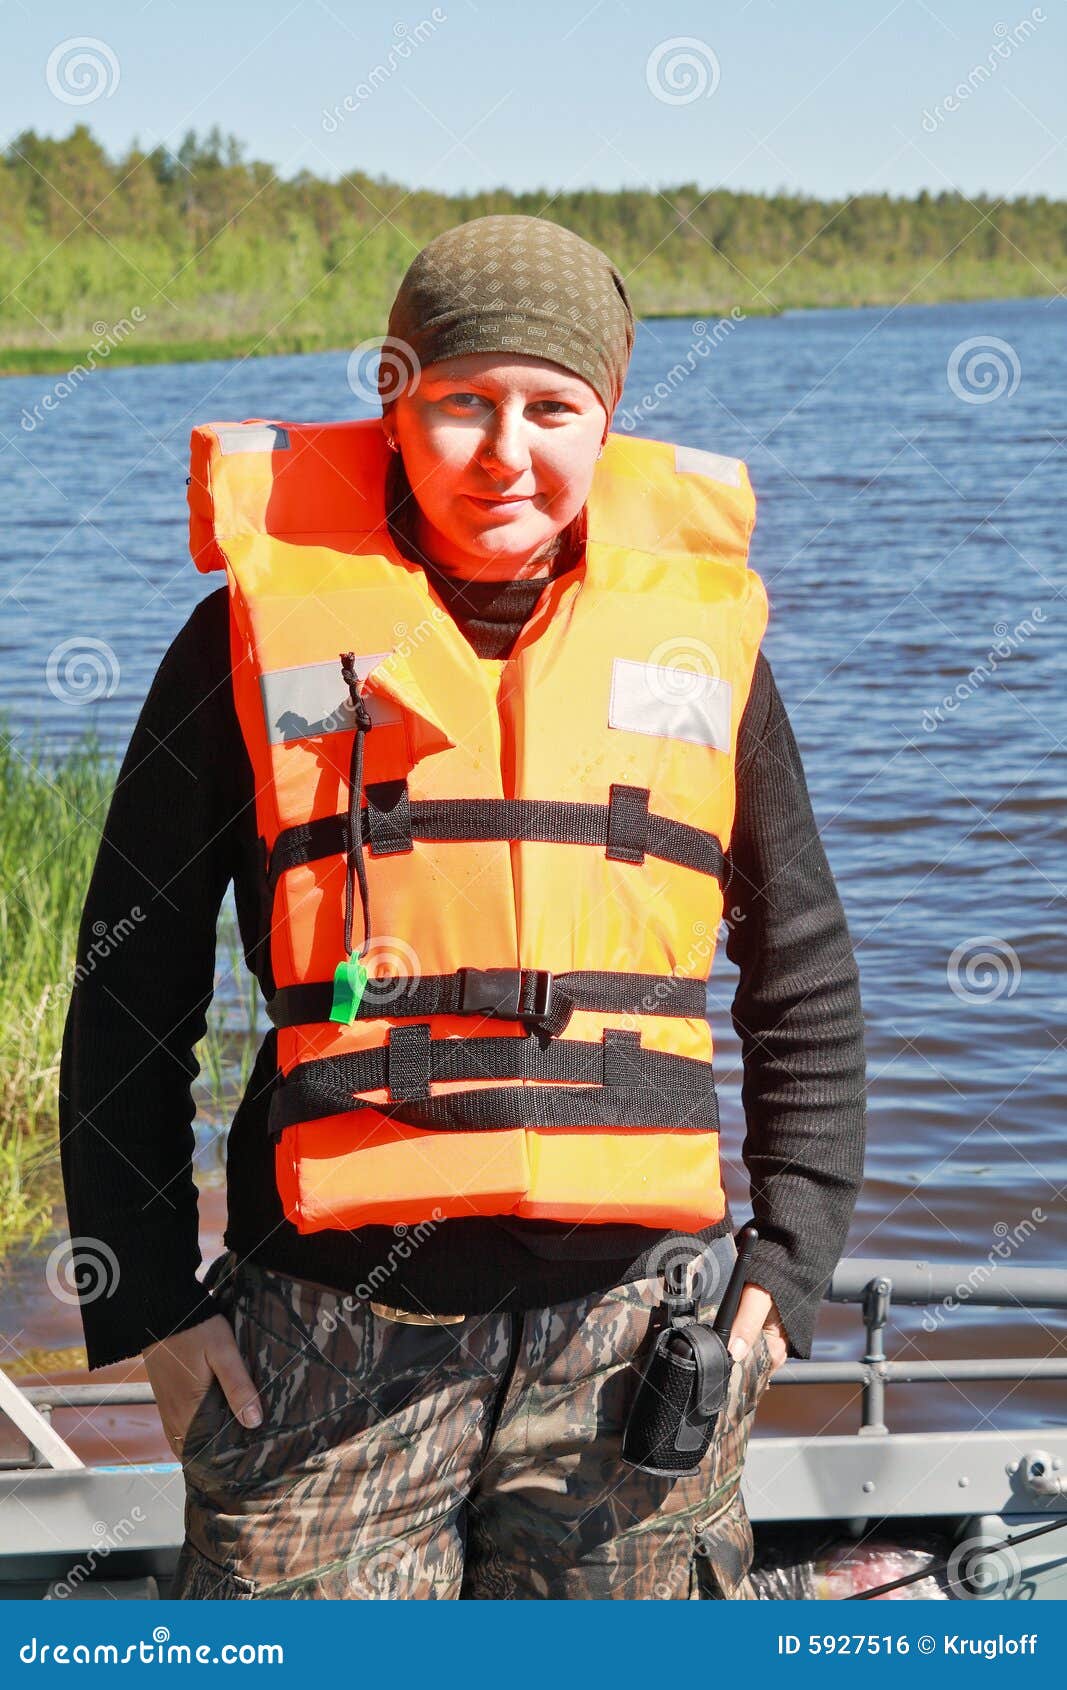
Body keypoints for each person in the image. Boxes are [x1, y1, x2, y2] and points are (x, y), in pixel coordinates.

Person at [59, 214, 867, 1600]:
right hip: (327, 1331)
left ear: (604, 422)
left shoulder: (698, 641)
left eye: (552, 408)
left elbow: (800, 964)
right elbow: (130, 979)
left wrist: (787, 1263)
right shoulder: (249, 637)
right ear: (395, 404)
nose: (506, 452)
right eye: (461, 405)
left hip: (636, 1332)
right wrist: (142, 1293)